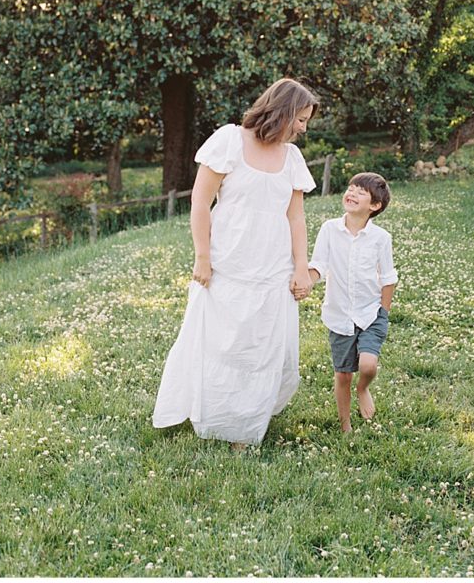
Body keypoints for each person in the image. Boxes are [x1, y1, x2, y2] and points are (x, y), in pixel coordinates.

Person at [152, 77, 319, 446]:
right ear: (284, 110)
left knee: (260, 348)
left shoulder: (292, 158)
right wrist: (202, 256)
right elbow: (200, 202)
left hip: (272, 267)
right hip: (227, 262)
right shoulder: (229, 140)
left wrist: (301, 266)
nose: (304, 128)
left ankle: (245, 426)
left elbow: (296, 217)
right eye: (301, 119)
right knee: (221, 343)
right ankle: (215, 416)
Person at [308, 172, 397, 433]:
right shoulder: (329, 229)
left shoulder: (381, 238)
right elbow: (319, 265)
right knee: (343, 375)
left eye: (360, 191)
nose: (352, 193)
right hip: (339, 315)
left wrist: (384, 311)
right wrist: (308, 280)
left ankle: (364, 388)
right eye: (350, 188)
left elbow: (389, 278)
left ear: (374, 206)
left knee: (368, 365)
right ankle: (346, 425)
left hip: (371, 312)